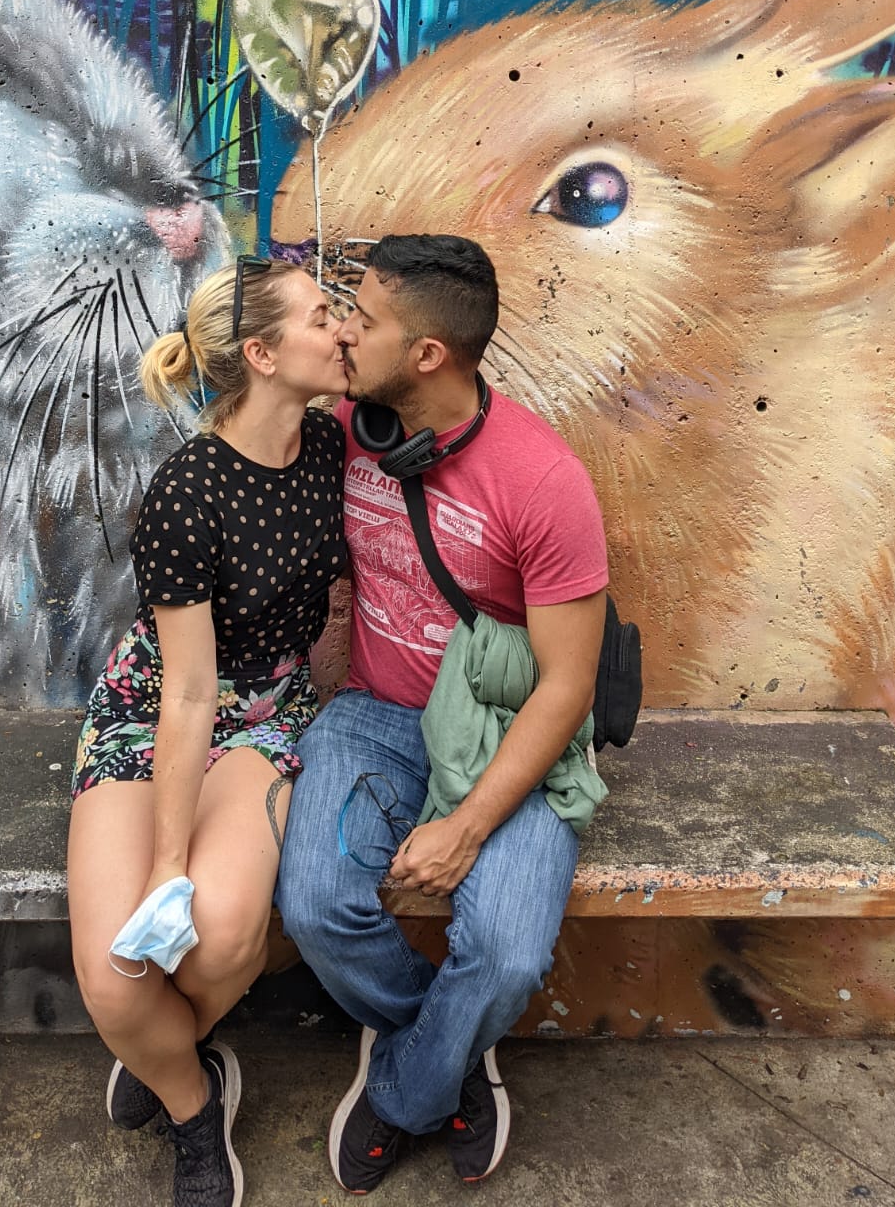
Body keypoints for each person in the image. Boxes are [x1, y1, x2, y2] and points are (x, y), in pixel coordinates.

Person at [276, 234, 608, 1193]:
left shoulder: (544, 481)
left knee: (504, 953)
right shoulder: (348, 427)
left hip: (506, 732)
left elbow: (566, 685)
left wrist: (466, 827)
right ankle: (452, 1052)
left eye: (365, 319)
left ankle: (407, 1089)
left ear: (429, 355)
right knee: (315, 905)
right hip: (377, 713)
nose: (343, 330)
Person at [67, 256, 349, 1207]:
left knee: (223, 940)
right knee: (117, 975)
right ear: (263, 355)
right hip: (160, 707)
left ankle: (157, 1049)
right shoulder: (187, 495)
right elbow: (186, 695)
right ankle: (194, 1100)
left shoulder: (331, 444)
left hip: (270, 710)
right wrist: (165, 863)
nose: (342, 329)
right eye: (323, 317)